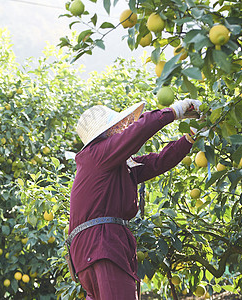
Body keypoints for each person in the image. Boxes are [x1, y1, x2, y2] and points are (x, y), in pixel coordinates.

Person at [67, 99, 201, 300]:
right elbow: (137, 132)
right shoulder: (97, 154)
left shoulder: (114, 164)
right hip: (102, 244)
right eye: (117, 126)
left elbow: (158, 162)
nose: (123, 128)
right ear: (105, 133)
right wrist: (174, 112)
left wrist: (190, 137)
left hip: (92, 248)